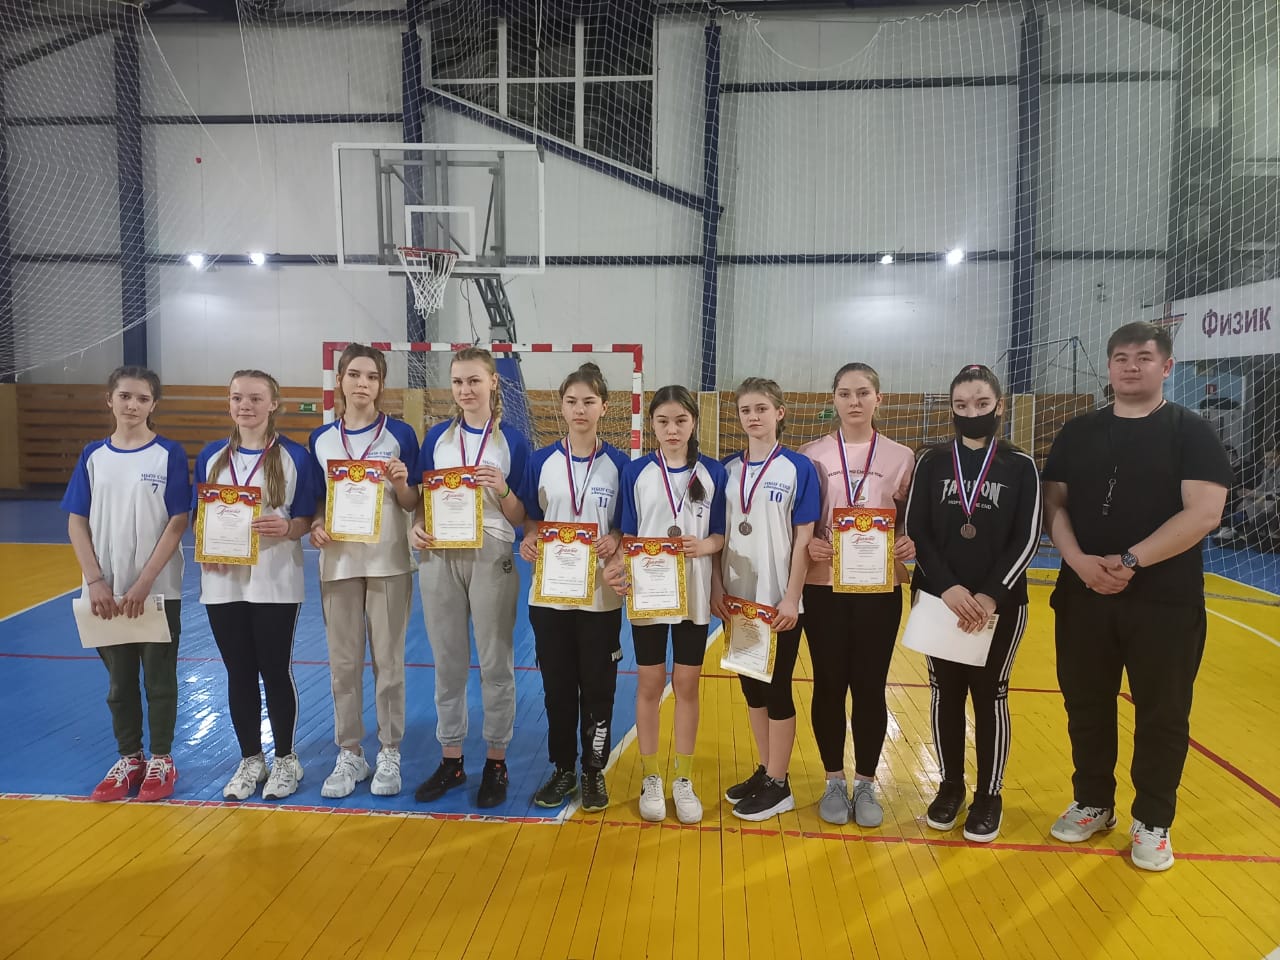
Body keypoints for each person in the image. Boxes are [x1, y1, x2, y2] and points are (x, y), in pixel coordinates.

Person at [1043, 321, 1231, 872]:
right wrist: (1078, 562)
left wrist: (1130, 561)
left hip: (1164, 602)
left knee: (1162, 713)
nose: (1131, 366)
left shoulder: (1191, 432)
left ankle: (1152, 820)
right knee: (1085, 705)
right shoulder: (1077, 431)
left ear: (1166, 366)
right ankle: (1093, 802)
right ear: (1108, 366)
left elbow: (1204, 513)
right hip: (1083, 595)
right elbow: (1054, 505)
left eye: (1144, 358)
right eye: (1121, 357)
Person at [904, 364, 1041, 842]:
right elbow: (916, 529)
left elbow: (1027, 537)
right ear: (951, 408)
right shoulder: (932, 460)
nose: (971, 412)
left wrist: (988, 594)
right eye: (961, 405)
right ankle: (950, 787)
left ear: (999, 405)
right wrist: (947, 588)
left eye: (981, 403)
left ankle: (989, 795)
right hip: (939, 599)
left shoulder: (1020, 465)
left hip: (999, 605)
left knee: (990, 695)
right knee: (945, 693)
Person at [63, 366, 190, 802]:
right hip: (104, 592)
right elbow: (76, 521)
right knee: (118, 684)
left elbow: (178, 522)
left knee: (159, 679)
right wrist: (95, 581)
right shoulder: (92, 456)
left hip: (157, 589)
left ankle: (162, 758)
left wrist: (145, 581)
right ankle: (130, 757)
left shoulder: (168, 453)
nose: (132, 405)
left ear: (153, 405)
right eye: (125, 396)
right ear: (110, 399)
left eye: (142, 398)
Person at [412, 346, 529, 809]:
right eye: (458, 381)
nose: (465, 390)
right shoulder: (436, 439)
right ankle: (452, 759)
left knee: (496, 662)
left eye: (474, 380)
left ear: (493, 382)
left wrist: (503, 488)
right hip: (440, 556)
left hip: (491, 553)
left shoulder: (512, 441)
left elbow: (521, 517)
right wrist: (417, 526)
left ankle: (497, 760)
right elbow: (422, 500)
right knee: (448, 662)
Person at [800, 362, 916, 827]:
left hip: (878, 588)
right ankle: (833, 779)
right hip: (823, 587)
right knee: (828, 685)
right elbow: (801, 520)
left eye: (863, 392)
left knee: (870, 686)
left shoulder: (902, 457)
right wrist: (810, 543)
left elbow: (910, 521)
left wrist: (908, 542)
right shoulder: (811, 455)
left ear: (878, 399)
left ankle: (866, 782)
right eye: (845, 393)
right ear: (833, 399)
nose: (854, 401)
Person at [606, 385, 727, 824]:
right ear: (651, 424)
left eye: (680, 420)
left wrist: (705, 545)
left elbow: (721, 534)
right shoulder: (636, 471)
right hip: (650, 593)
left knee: (688, 685)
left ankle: (684, 778)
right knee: (651, 683)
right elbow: (628, 533)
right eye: (663, 421)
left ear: (693, 422)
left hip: (693, 593)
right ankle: (652, 776)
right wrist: (618, 568)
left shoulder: (714, 472)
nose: (672, 429)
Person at [194, 370, 317, 801]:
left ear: (273, 404)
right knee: (238, 672)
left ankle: (285, 758)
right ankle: (251, 759)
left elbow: (306, 517)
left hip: (275, 580)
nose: (245, 405)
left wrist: (288, 527)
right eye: (237, 398)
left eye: (255, 398)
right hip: (222, 582)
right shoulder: (211, 457)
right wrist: (206, 544)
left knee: (274, 670)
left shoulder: (295, 457)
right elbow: (201, 517)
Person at [308, 344, 421, 799]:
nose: (362, 383)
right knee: (344, 665)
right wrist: (317, 524)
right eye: (354, 374)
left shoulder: (401, 434)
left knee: (389, 664)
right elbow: (317, 500)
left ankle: (390, 750)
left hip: (389, 561)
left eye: (372, 377)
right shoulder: (321, 439)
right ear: (340, 380)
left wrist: (401, 482)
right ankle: (350, 752)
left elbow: (413, 503)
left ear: (380, 384)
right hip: (338, 564)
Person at [520, 363, 631, 812]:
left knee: (599, 688)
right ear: (561, 407)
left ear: (604, 406)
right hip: (550, 596)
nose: (580, 409)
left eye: (588, 401)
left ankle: (593, 771)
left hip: (601, 598)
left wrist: (617, 539)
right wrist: (529, 538)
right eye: (571, 401)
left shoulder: (621, 465)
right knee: (557, 688)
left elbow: (628, 525)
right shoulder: (540, 461)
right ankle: (563, 768)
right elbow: (532, 518)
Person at [711, 378, 819, 822]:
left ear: (779, 412)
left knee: (777, 689)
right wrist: (717, 588)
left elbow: (804, 537)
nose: (753, 417)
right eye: (745, 410)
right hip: (738, 600)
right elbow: (716, 535)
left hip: (778, 602)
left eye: (761, 409)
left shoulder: (798, 467)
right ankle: (765, 769)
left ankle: (780, 783)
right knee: (751, 688)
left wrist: (792, 597)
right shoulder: (725, 470)